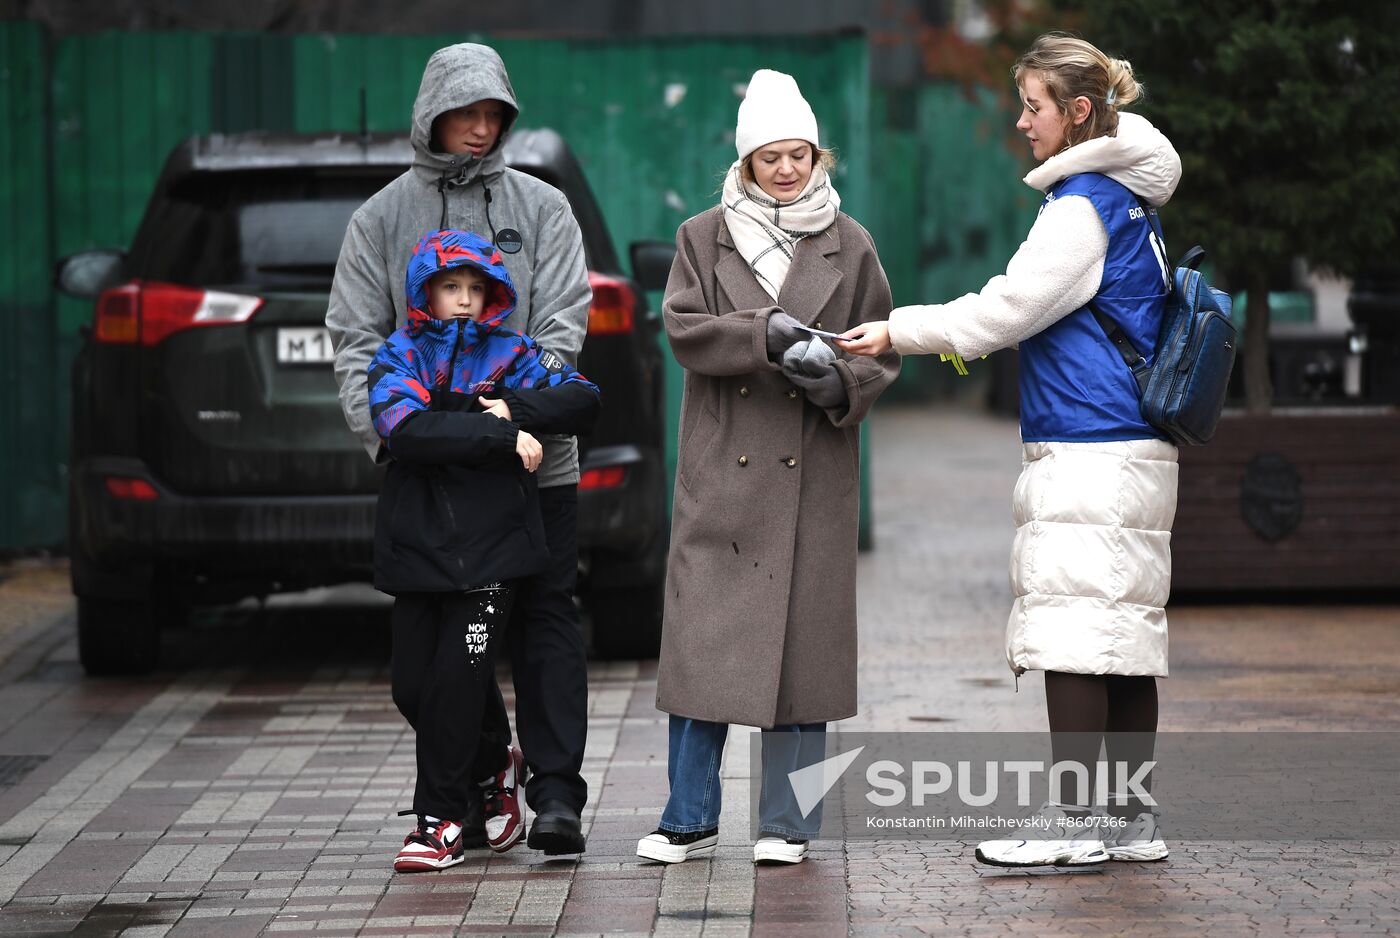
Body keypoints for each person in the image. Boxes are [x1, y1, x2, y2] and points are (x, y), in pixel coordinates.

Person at [841, 32, 1181, 867]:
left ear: (1076, 113)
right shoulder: (1131, 203)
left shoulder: (1082, 210)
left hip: (1088, 444)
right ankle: (1129, 823)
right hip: (1135, 445)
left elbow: (1000, 314)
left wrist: (897, 329)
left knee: (1074, 633)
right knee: (1121, 640)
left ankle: (1073, 828)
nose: (1021, 123)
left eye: (1032, 107)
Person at [327, 43, 595, 856]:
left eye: (493, 115)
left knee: (546, 620)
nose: (480, 129)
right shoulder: (380, 217)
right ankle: (482, 770)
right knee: (439, 653)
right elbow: (354, 339)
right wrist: (400, 435)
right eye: (464, 112)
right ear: (430, 114)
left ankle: (554, 794)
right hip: (431, 483)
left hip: (534, 468)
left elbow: (559, 330)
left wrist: (511, 417)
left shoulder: (543, 208)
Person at [635, 69, 900, 866]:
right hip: (723, 471)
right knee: (703, 651)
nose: (786, 170)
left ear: (819, 156)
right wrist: (766, 333)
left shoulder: (849, 243)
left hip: (810, 470)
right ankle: (689, 816)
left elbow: (881, 343)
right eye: (769, 158)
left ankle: (789, 824)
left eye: (799, 155)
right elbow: (682, 329)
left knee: (804, 657)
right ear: (746, 163)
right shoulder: (701, 236)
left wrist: (842, 378)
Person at [371, 229, 599, 872]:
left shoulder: (516, 352)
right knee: (412, 685)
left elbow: (583, 397)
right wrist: (499, 438)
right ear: (425, 294)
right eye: (451, 288)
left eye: (477, 288)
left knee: (457, 679)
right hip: (420, 546)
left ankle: (437, 821)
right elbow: (407, 430)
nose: (465, 301)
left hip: (496, 551)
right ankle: (495, 757)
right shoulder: (398, 354)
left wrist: (514, 408)